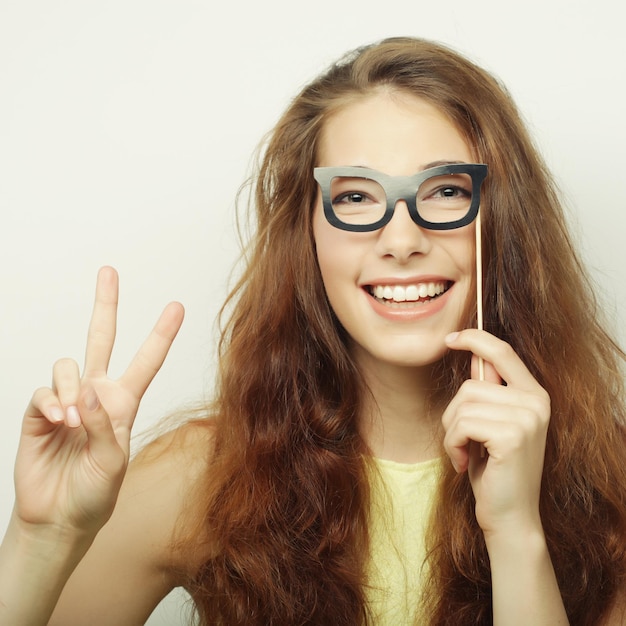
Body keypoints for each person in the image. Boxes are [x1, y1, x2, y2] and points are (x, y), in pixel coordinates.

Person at [1, 36, 625, 626]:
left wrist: (516, 534)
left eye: (444, 190)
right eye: (354, 198)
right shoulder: (204, 476)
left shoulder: (606, 481)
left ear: (502, 222)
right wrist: (42, 537)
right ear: (308, 234)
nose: (402, 241)